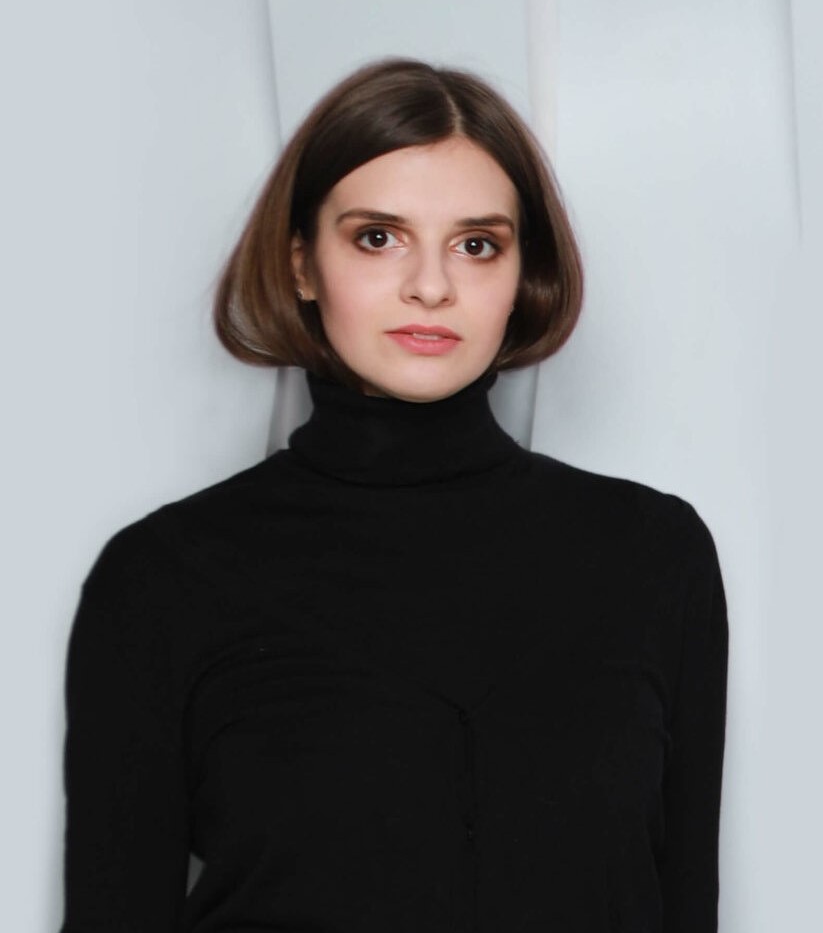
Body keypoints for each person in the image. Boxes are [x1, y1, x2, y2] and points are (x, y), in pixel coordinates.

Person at [60, 58, 728, 932]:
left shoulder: (652, 555)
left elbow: (685, 899)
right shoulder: (164, 576)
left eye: (476, 244)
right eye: (377, 237)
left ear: (522, 274)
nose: (431, 286)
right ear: (301, 264)